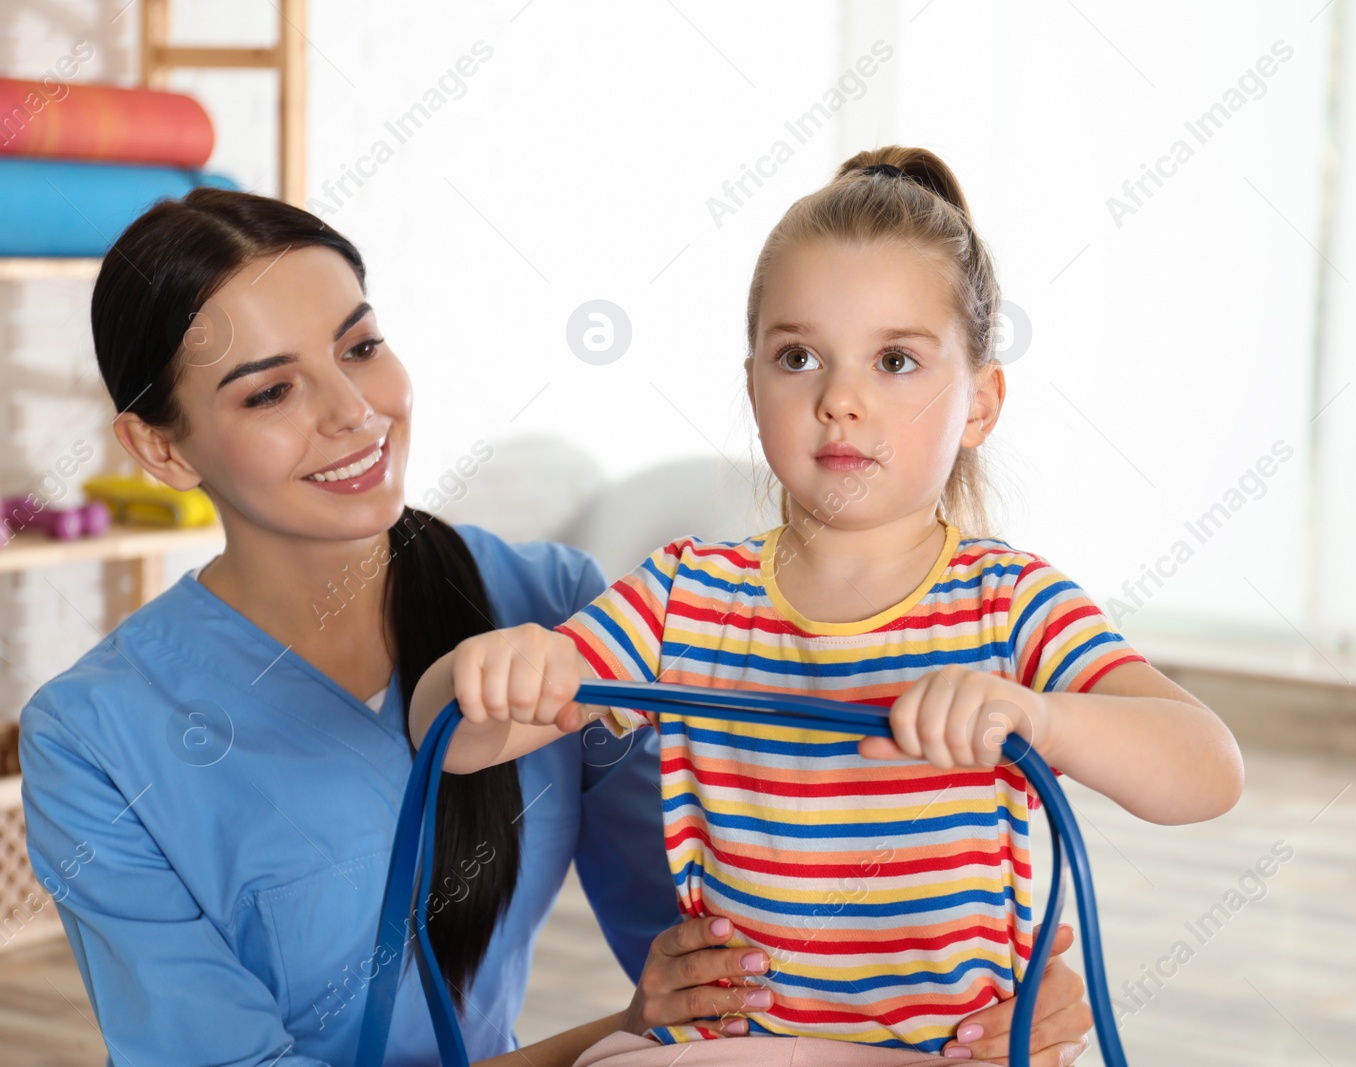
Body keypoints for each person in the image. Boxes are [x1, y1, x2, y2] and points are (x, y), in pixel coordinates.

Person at [20, 187, 1093, 1066]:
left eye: (362, 346)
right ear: (161, 449)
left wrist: (990, 969)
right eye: (270, 392)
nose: (353, 411)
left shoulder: (547, 605)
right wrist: (607, 1035)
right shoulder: (95, 737)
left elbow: (753, 911)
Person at [409, 148, 1246, 1064]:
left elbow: (1209, 769)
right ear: (753, 384)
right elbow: (447, 736)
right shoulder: (684, 595)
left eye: (896, 360)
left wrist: (1040, 717)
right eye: (799, 356)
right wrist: (489, 671)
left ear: (981, 402)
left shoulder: (1010, 604)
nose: (840, 399)